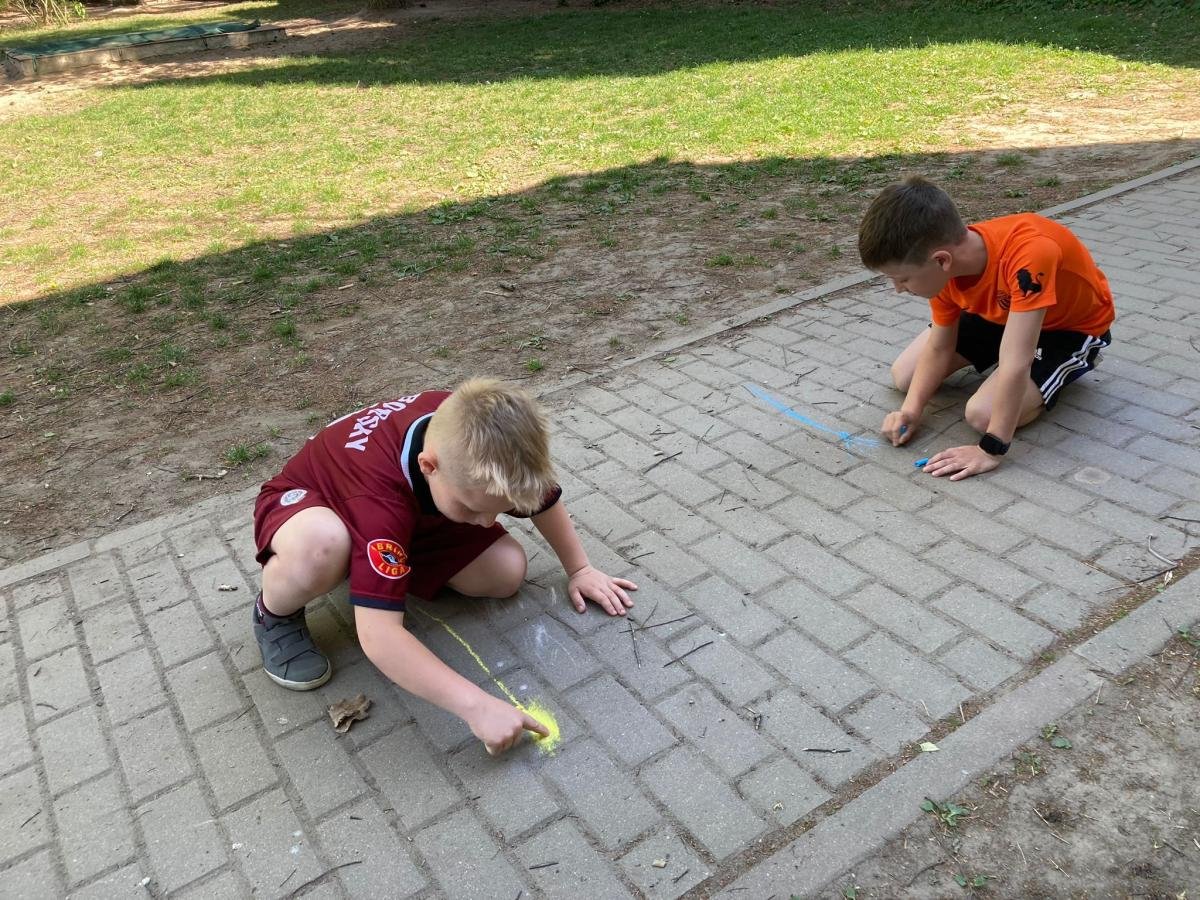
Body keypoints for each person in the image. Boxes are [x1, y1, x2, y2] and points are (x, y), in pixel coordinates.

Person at [251, 378, 636, 755]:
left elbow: (541, 497)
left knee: (505, 571)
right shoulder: (378, 501)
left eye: (497, 510)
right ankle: (274, 614)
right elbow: (379, 637)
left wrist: (580, 569)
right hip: (312, 505)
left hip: (407, 515)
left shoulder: (493, 439)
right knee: (320, 548)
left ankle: (378, 568)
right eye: (472, 509)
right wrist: (477, 707)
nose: (487, 523)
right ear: (429, 466)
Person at [858, 176, 1114, 480]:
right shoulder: (946, 268)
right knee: (905, 376)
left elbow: (1016, 361)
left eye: (903, 279)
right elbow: (940, 346)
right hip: (1001, 313)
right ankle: (1004, 361)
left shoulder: (1030, 254)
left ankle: (1069, 367)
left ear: (941, 261)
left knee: (982, 415)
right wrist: (911, 410)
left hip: (1066, 328)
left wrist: (991, 449)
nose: (898, 289)